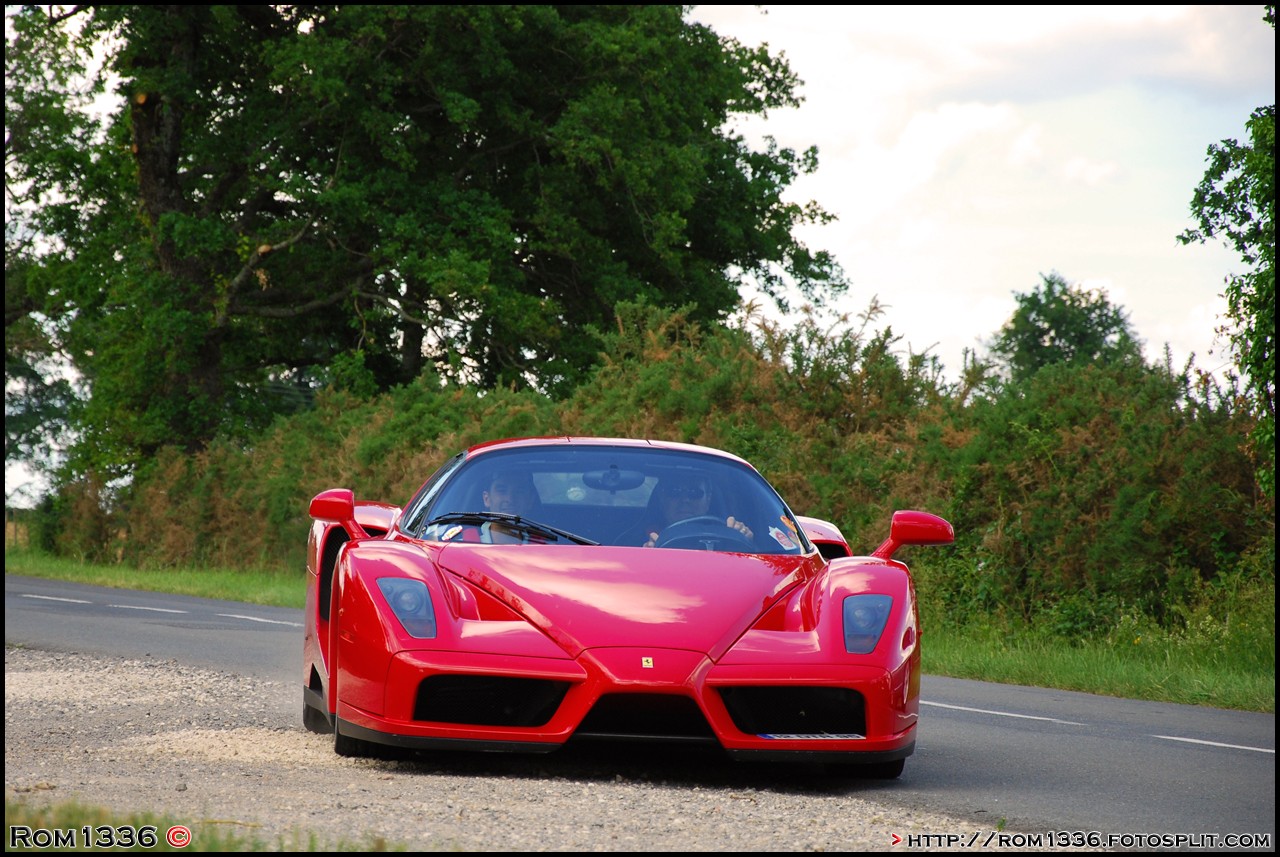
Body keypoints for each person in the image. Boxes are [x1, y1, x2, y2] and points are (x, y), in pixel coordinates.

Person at [640, 473, 753, 547]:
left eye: (694, 493)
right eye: (674, 491)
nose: (685, 499)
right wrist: (647, 555)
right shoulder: (637, 536)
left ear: (708, 500)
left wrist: (743, 539)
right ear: (662, 498)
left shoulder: (728, 535)